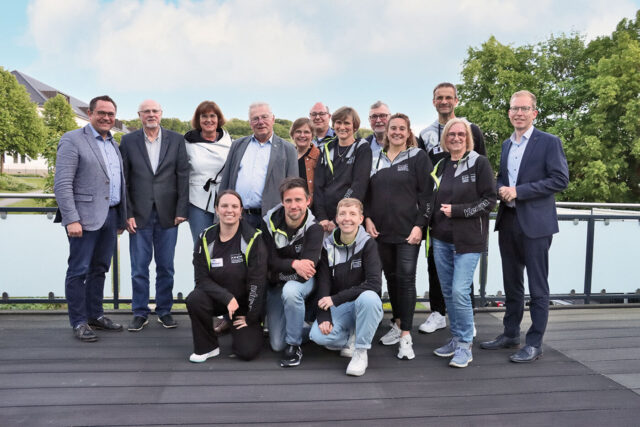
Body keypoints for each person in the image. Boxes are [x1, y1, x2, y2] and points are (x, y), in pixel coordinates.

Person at [480, 90, 569, 363]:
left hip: (536, 224)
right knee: (512, 283)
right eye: (514, 108)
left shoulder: (549, 142)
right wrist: (500, 188)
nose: (519, 113)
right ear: (509, 113)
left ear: (534, 113)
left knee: (538, 286)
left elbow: (560, 179)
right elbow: (502, 179)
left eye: (524, 108)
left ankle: (534, 343)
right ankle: (510, 334)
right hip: (508, 221)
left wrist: (519, 191)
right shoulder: (507, 144)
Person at [53, 95, 127, 342]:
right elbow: (62, 184)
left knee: (100, 269)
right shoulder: (72, 139)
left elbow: (116, 183)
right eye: (101, 113)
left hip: (111, 215)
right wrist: (71, 219)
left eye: (111, 114)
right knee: (78, 270)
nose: (106, 118)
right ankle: (79, 321)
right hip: (83, 219)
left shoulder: (113, 143)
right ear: (90, 113)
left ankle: (95, 315)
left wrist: (120, 218)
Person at [417, 82, 487, 335]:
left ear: (456, 100)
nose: (444, 101)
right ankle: (438, 312)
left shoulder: (470, 128)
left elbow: (482, 167)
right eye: (439, 97)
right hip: (437, 216)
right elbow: (423, 174)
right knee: (436, 265)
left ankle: (468, 318)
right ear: (433, 101)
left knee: (463, 275)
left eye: (449, 97)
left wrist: (471, 207)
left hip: (465, 215)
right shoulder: (425, 134)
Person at [429, 118, 496, 368]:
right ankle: (456, 338)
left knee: (459, 292)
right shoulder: (441, 164)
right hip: (441, 238)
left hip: (469, 240)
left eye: (461, 134)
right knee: (448, 292)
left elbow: (490, 201)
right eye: (451, 134)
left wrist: (458, 211)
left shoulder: (480, 163)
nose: (456, 138)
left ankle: (466, 344)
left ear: (468, 138)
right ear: (445, 139)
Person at [365, 113, 433, 359]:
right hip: (380, 233)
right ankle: (397, 323)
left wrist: (420, 225)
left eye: (401, 128)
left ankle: (406, 336)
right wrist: (367, 218)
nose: (396, 132)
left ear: (408, 132)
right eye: (392, 128)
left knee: (406, 279)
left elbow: (428, 195)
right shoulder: (375, 159)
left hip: (408, 232)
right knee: (391, 279)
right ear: (387, 132)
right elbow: (367, 195)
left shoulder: (418, 157)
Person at [119, 100, 189, 331]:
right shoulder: (128, 141)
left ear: (161, 114)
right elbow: (124, 180)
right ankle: (140, 312)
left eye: (154, 111)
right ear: (139, 115)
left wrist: (181, 210)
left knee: (166, 266)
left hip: (168, 214)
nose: (151, 114)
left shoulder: (177, 140)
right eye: (146, 111)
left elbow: (183, 176)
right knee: (139, 267)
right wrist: (127, 213)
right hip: (138, 215)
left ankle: (164, 310)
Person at [185, 190, 268, 362]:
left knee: (247, 352)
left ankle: (237, 326)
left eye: (234, 206)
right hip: (220, 299)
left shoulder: (253, 238)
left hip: (244, 305)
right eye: (224, 206)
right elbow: (201, 280)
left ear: (241, 211)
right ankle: (208, 347)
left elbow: (257, 282)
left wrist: (251, 317)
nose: (229, 210)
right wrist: (227, 297)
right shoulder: (205, 237)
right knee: (195, 298)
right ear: (216, 209)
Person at [309, 198, 383, 376]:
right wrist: (324, 316)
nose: (347, 218)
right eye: (342, 214)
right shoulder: (327, 245)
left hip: (363, 305)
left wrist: (335, 299)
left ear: (360, 219)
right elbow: (323, 283)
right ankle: (352, 336)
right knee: (318, 336)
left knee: (370, 297)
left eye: (352, 214)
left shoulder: (368, 244)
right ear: (336, 218)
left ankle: (360, 351)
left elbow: (374, 284)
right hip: (342, 307)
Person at [263, 177, 324, 367]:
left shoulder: (315, 228)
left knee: (290, 290)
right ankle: (308, 329)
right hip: (276, 284)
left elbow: (306, 271)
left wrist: (279, 271)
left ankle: (294, 345)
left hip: (302, 283)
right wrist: (294, 263)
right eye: (288, 200)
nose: (293, 205)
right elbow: (267, 261)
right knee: (276, 344)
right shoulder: (268, 222)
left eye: (298, 200)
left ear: (308, 200)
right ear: (282, 202)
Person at [219, 102, 298, 228]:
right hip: (238, 217)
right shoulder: (237, 145)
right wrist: (218, 217)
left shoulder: (288, 149)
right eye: (255, 119)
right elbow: (226, 181)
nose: (260, 122)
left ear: (273, 119)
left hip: (273, 219)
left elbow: (293, 189)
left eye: (264, 117)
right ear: (250, 123)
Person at [313, 107, 372, 234]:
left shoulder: (362, 148)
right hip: (325, 221)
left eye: (347, 123)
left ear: (355, 126)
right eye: (338, 122)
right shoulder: (326, 149)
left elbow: (359, 185)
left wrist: (338, 219)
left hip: (348, 218)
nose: (342, 127)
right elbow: (318, 186)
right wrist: (321, 216)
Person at [184, 100, 233, 244]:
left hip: (224, 199)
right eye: (204, 116)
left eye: (212, 116)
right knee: (202, 245)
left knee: (226, 246)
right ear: (198, 120)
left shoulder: (231, 143)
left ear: (219, 119)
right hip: (197, 201)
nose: (208, 120)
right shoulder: (187, 143)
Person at [290, 118, 321, 203]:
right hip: (290, 205)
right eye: (298, 132)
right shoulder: (286, 155)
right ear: (292, 134)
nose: (302, 135)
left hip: (311, 206)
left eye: (306, 132)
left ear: (312, 136)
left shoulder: (319, 156)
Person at [364, 101, 391, 167]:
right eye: (374, 116)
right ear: (369, 120)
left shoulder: (407, 144)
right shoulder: (362, 147)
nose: (378, 120)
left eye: (382, 116)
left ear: (390, 118)